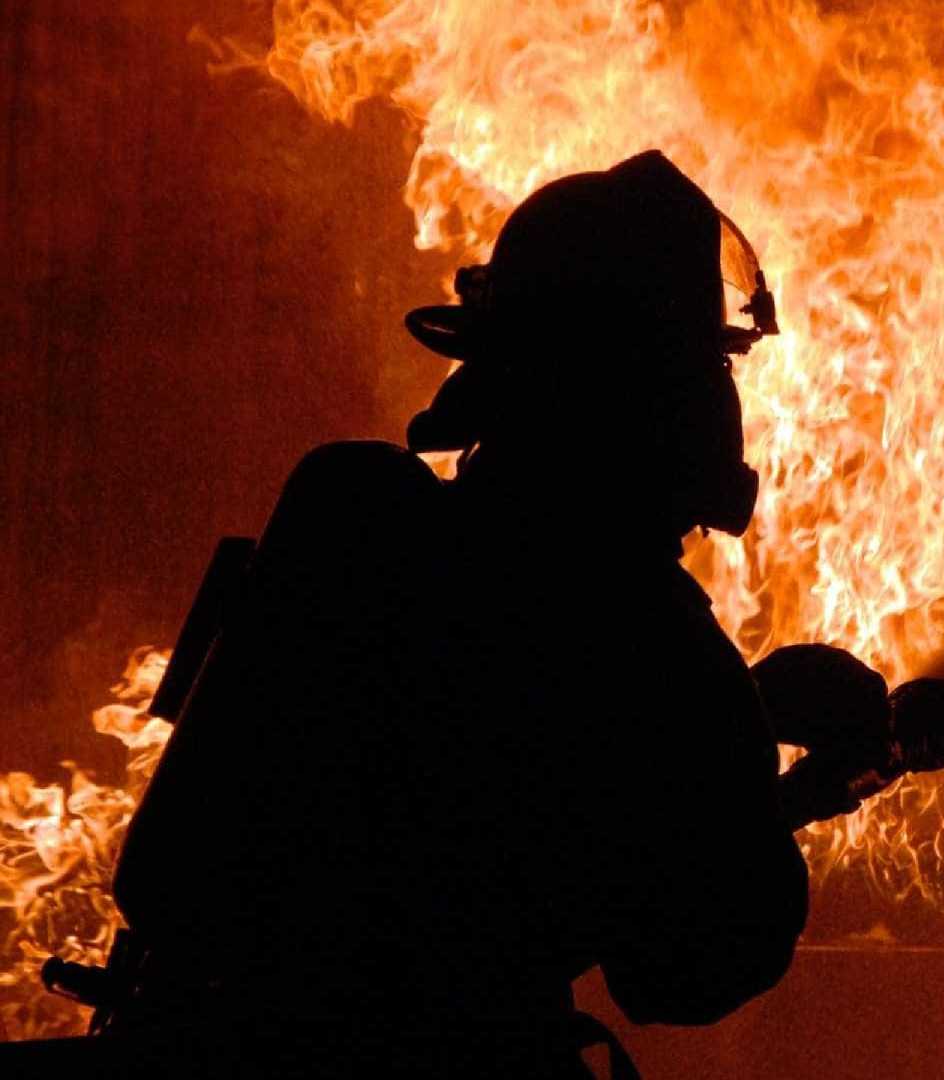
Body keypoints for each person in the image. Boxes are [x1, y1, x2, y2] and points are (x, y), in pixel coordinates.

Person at [96, 150, 868, 1076]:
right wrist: (753, 783)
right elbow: (683, 971)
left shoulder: (352, 511)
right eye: (712, 366)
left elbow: (471, 708)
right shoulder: (661, 661)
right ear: (667, 401)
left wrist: (731, 733)